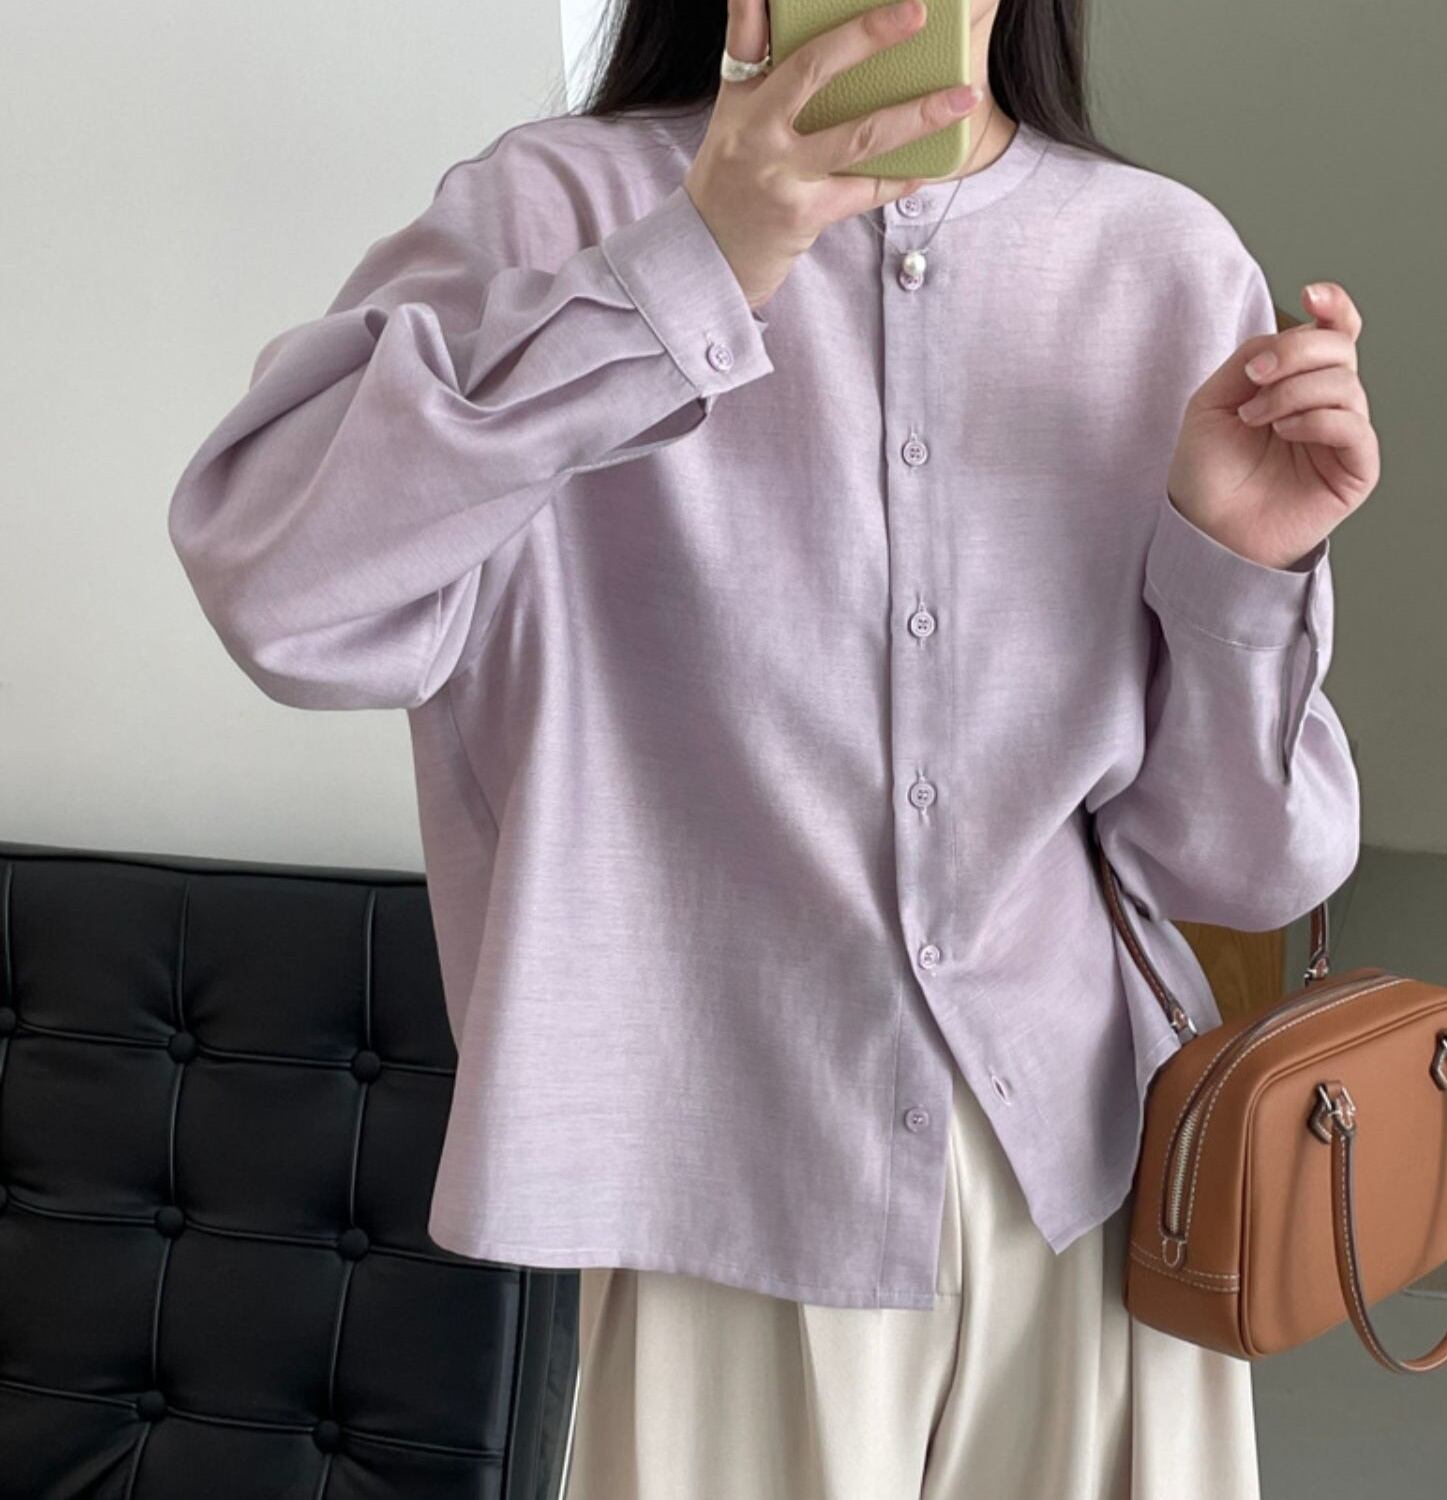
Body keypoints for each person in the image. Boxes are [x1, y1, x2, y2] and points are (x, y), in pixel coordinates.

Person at [166, 0, 1375, 1494]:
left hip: (1093, 1191)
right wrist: (689, 266)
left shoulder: (1165, 262)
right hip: (722, 1192)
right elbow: (282, 595)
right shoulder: (552, 212)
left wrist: (1242, 574)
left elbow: (1242, 871)